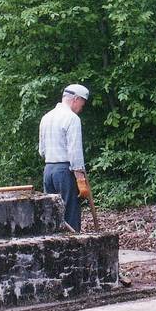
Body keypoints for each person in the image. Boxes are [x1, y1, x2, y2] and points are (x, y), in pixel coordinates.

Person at [38, 84, 90, 232]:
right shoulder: (72, 118)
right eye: (82, 103)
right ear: (75, 99)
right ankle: (74, 249)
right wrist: (80, 179)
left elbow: (42, 151)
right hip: (64, 171)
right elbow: (75, 152)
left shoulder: (46, 117)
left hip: (48, 170)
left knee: (51, 213)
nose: (82, 108)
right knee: (70, 212)